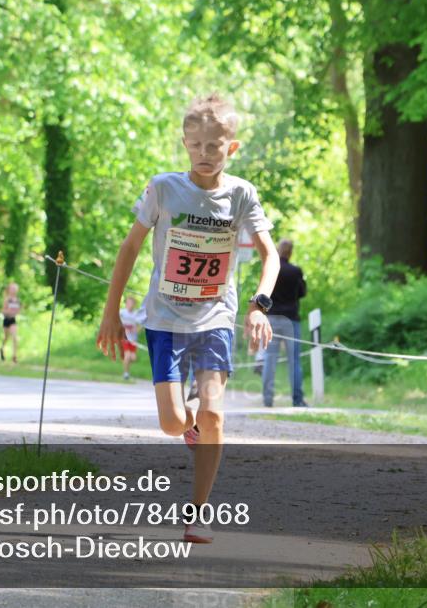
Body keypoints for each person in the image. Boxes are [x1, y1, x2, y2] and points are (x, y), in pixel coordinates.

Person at [96, 93, 279, 544]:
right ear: (184, 143)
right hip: (165, 318)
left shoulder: (241, 194)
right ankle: (190, 429)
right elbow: (130, 248)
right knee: (173, 422)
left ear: (231, 148)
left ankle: (197, 513)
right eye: (195, 145)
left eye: (214, 146)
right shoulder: (163, 188)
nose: (204, 154)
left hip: (216, 316)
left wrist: (259, 304)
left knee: (214, 413)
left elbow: (269, 255)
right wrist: (111, 314)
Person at [261, 239, 308, 407]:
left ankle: (267, 399)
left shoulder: (271, 269)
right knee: (294, 361)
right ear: (291, 252)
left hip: (272, 318)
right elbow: (302, 293)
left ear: (278, 250)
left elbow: (263, 293)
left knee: (269, 359)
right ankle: (297, 399)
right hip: (291, 320)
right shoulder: (296, 271)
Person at [119, 295, 145, 380]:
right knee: (128, 355)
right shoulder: (122, 312)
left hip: (133, 339)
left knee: (133, 358)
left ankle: (125, 364)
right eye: (129, 302)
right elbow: (116, 321)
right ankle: (126, 373)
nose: (130, 304)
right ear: (126, 303)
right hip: (125, 338)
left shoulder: (136, 314)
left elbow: (142, 324)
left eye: (132, 303)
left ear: (134, 304)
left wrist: (137, 330)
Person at [0, 282, 21, 363]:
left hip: (13, 320)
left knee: (15, 337)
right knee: (6, 337)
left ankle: (14, 356)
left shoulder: (17, 300)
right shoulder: (7, 299)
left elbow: (18, 310)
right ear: (9, 290)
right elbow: (3, 311)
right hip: (6, 320)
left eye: (15, 289)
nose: (14, 290)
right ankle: (1, 348)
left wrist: (16, 312)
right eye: (12, 289)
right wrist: (8, 312)